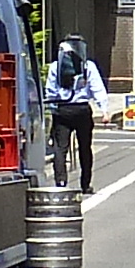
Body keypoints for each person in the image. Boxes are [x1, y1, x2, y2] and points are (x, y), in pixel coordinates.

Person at [46, 35, 105, 191]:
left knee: (60, 148)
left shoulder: (55, 66)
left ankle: (60, 182)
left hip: (62, 109)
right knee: (85, 147)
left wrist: (52, 107)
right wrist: (104, 109)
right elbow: (97, 88)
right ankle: (85, 184)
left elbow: (50, 91)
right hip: (82, 109)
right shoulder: (88, 66)